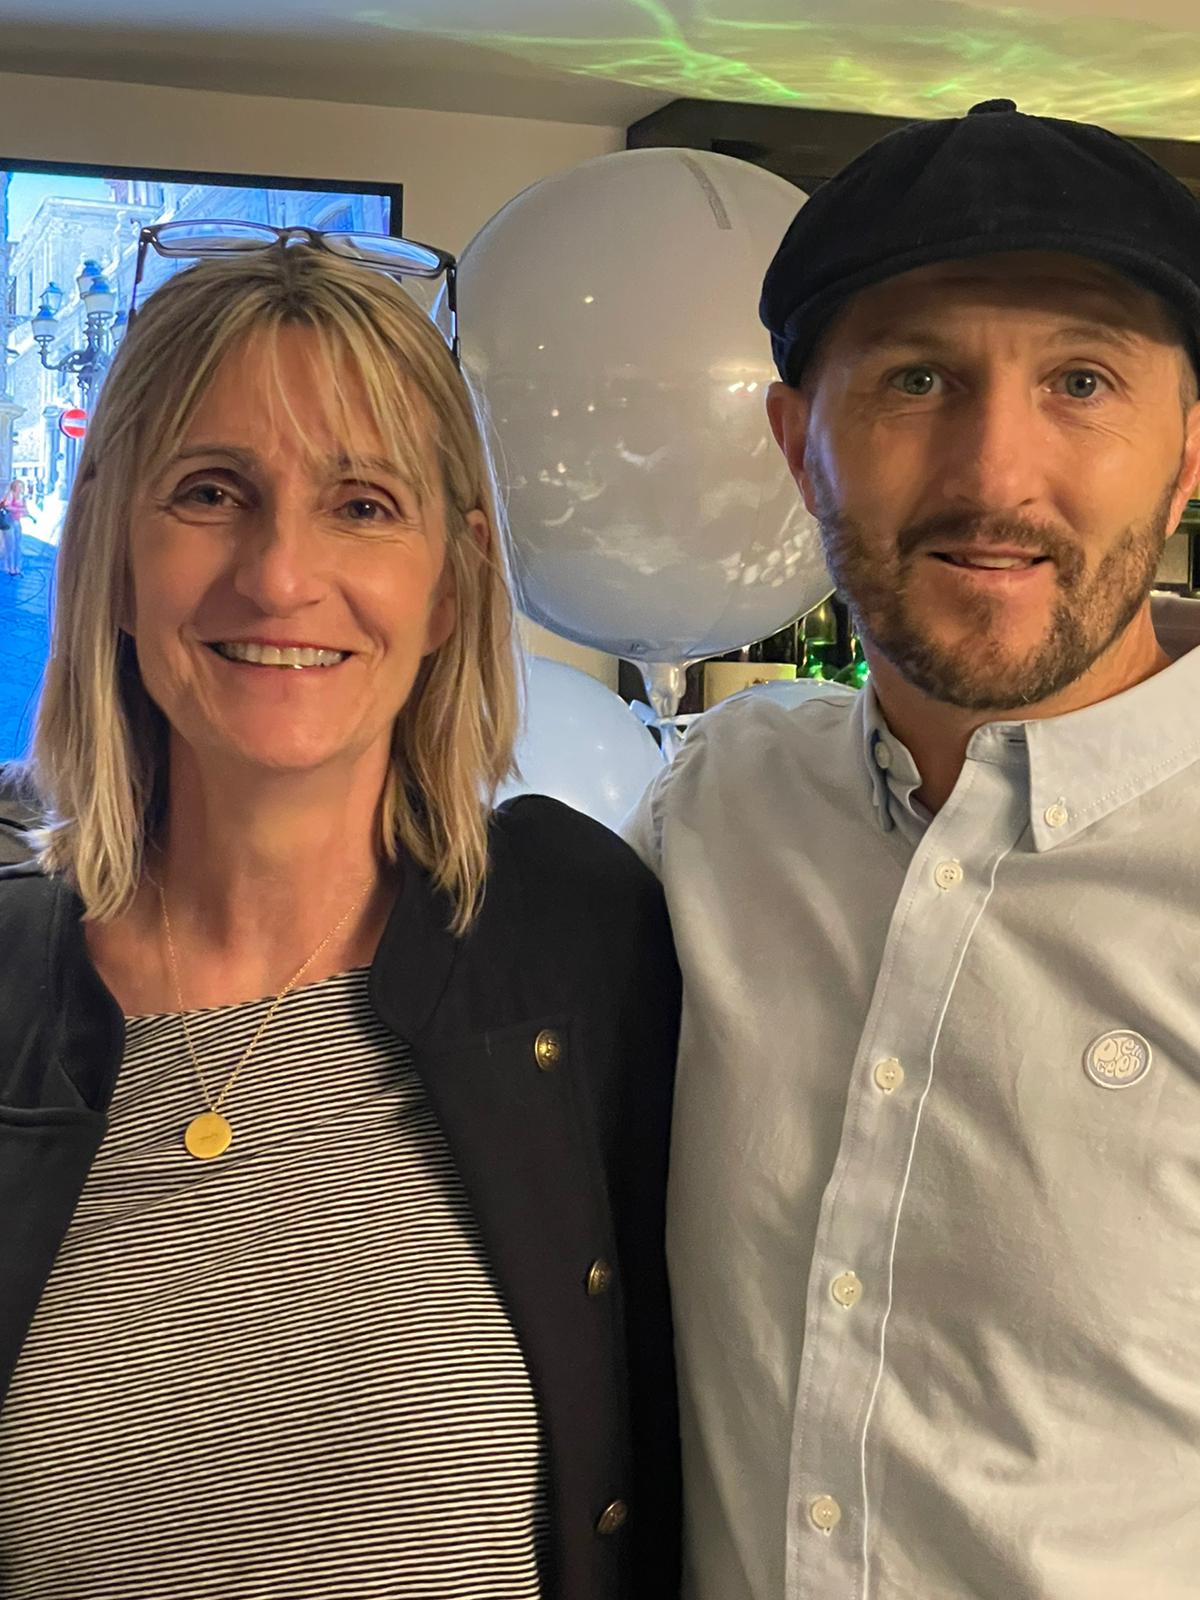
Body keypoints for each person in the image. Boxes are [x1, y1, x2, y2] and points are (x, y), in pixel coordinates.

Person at [0, 234, 680, 1600]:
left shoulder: (579, 940)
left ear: (453, 581)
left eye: (362, 504)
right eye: (210, 493)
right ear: (115, 552)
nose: (279, 576)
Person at [625, 99, 1200, 1599]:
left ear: (1189, 450)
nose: (995, 474)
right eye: (916, 379)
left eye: (1082, 380)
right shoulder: (719, 808)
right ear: (796, 443)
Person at [1, 476, 27, 575]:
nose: (20, 488)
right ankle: (9, 567)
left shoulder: (22, 497)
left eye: (21, 487)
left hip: (17, 522)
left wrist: (24, 512)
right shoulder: (10, 495)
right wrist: (19, 510)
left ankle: (17, 567)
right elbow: (6, 506)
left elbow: (25, 510)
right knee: (10, 545)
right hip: (8, 522)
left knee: (18, 545)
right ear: (14, 487)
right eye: (18, 486)